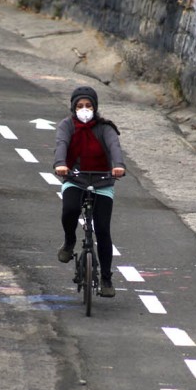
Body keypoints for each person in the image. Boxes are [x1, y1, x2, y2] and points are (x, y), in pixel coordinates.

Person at [53, 86, 126, 297]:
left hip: (102, 180)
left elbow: (115, 147)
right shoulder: (67, 126)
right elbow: (61, 145)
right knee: (70, 210)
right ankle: (69, 242)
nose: (84, 109)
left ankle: (106, 278)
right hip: (75, 177)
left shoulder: (105, 128)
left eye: (88, 106)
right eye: (80, 106)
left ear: (95, 107)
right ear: (73, 108)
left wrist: (118, 166)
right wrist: (60, 164)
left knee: (102, 229)